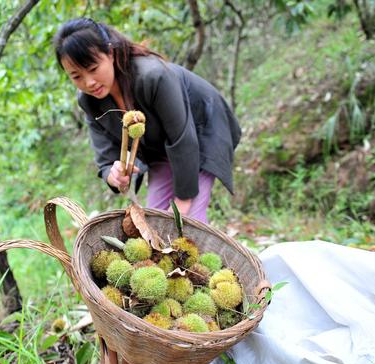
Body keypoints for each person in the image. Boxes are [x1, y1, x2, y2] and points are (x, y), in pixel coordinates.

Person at [53, 18, 241, 223]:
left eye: (93, 69)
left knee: (188, 225)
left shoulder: (153, 76)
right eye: (76, 76)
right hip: (160, 149)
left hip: (201, 134)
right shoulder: (89, 101)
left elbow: (183, 139)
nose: (89, 82)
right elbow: (105, 160)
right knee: (153, 222)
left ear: (110, 53)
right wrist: (113, 175)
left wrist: (183, 201)